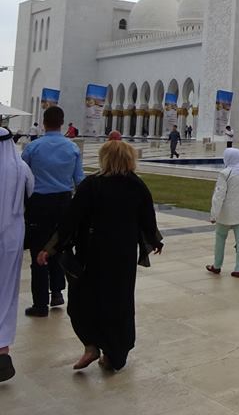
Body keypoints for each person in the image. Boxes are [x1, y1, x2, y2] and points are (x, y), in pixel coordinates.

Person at [37, 140, 163, 371]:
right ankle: (114, 355)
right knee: (118, 302)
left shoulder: (92, 185)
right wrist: (155, 241)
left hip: (93, 254)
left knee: (82, 301)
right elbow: (148, 219)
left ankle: (91, 345)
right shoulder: (136, 185)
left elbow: (70, 220)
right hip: (122, 257)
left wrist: (50, 248)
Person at [20, 106, 84, 317]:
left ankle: (40, 304)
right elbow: (79, 180)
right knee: (59, 246)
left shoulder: (33, 148)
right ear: (62, 123)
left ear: (44, 122)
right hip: (64, 203)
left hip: (39, 204)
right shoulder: (72, 148)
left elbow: (24, 177)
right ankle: (57, 292)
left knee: (39, 250)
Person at [0, 127, 35, 382]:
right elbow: (31, 193)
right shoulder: (20, 167)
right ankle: (2, 352)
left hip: (11, 236)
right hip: (11, 237)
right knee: (6, 291)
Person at [207, 148, 239, 278]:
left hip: (226, 214)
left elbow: (218, 196)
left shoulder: (225, 173)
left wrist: (214, 214)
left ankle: (217, 266)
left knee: (220, 238)